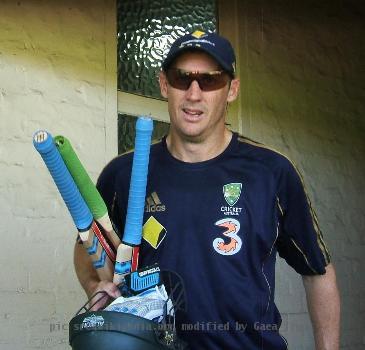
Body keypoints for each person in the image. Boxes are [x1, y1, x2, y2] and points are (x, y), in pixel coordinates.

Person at [74, 31, 340, 349]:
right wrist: (96, 285)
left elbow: (318, 272)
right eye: (181, 78)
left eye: (210, 80)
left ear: (232, 89)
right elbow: (87, 243)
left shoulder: (271, 172)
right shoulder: (124, 173)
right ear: (164, 84)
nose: (194, 93)